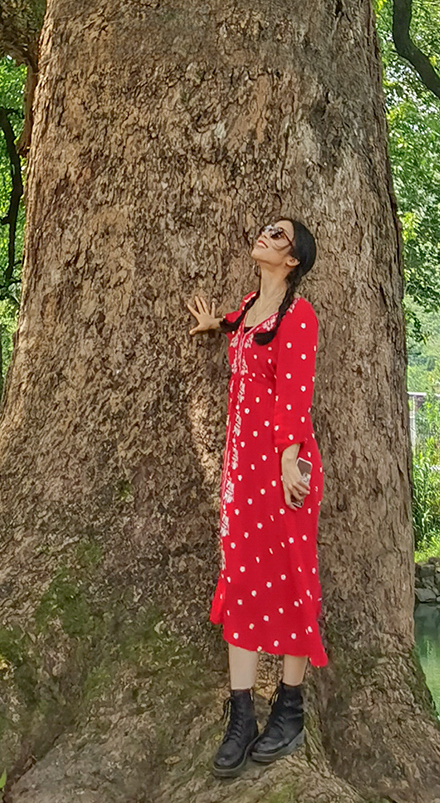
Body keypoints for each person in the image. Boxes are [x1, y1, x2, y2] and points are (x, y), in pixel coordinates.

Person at [188, 216, 325, 778]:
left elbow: (295, 391)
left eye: (278, 237)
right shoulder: (249, 307)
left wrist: (290, 460)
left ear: (292, 261)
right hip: (243, 473)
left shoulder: (301, 316)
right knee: (241, 579)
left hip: (284, 471)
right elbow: (239, 329)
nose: (265, 238)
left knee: (293, 579)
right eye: (267, 231)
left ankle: (289, 710)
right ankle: (241, 715)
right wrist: (213, 324)